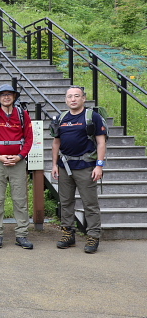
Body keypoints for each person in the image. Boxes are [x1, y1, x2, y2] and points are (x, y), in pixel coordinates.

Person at [51, 86, 107, 254]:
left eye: (77, 96)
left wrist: (99, 165)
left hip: (86, 167)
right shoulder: (62, 118)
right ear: (66, 100)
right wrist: (54, 164)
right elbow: (56, 143)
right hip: (65, 166)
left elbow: (101, 143)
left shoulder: (92, 117)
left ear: (84, 98)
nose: (73, 99)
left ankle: (93, 236)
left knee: (90, 203)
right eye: (69, 96)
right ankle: (68, 233)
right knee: (66, 202)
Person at [0, 85, 34, 249]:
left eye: (9, 94)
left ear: (14, 97)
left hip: (17, 162)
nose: (6, 97)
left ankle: (22, 235)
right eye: (2, 95)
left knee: (20, 200)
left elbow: (29, 138)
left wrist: (20, 157)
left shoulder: (22, 114)